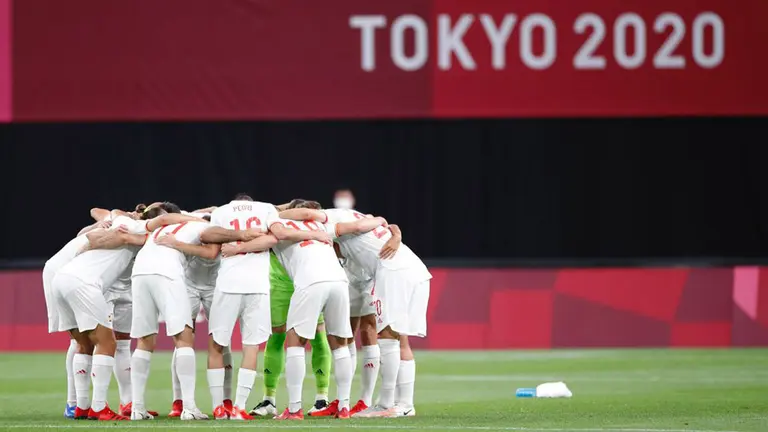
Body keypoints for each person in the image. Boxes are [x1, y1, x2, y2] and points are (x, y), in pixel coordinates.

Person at [281, 206, 430, 418]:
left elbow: (310, 216)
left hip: (393, 271)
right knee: (399, 337)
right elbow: (385, 225)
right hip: (414, 269)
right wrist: (392, 230)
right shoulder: (360, 218)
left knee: (388, 336)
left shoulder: (334, 220)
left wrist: (273, 216)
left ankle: (390, 404)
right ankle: (399, 403)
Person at [50, 208, 183, 421]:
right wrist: (191, 219)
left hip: (62, 279)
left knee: (84, 344)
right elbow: (163, 219)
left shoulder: (129, 229)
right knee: (107, 344)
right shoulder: (133, 225)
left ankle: (82, 406)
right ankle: (99, 407)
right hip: (83, 283)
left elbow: (94, 231)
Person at [266, 210, 377, 421]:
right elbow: (354, 227)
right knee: (340, 344)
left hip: (311, 280)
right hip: (339, 280)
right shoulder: (320, 226)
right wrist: (380, 220)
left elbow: (278, 234)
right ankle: (344, 406)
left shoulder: (275, 220)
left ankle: (294, 409)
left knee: (295, 343)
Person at [199, 194, 288, 420]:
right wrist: (247, 240)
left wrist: (237, 243)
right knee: (251, 346)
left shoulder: (221, 211)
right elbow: (273, 239)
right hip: (257, 286)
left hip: (228, 283)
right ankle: (238, 407)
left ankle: (219, 408)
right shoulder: (266, 208)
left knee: (216, 345)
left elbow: (206, 234)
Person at [247, 199, 335, 419]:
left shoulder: (318, 226)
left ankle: (321, 398)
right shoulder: (278, 221)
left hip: (310, 283)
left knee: (317, 335)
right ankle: (269, 399)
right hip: (280, 286)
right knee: (276, 337)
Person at [128, 203, 210, 421]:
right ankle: (189, 407)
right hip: (166, 273)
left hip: (140, 274)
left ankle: (137, 408)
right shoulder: (198, 225)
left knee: (144, 340)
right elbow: (212, 234)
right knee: (184, 337)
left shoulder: (157, 228)